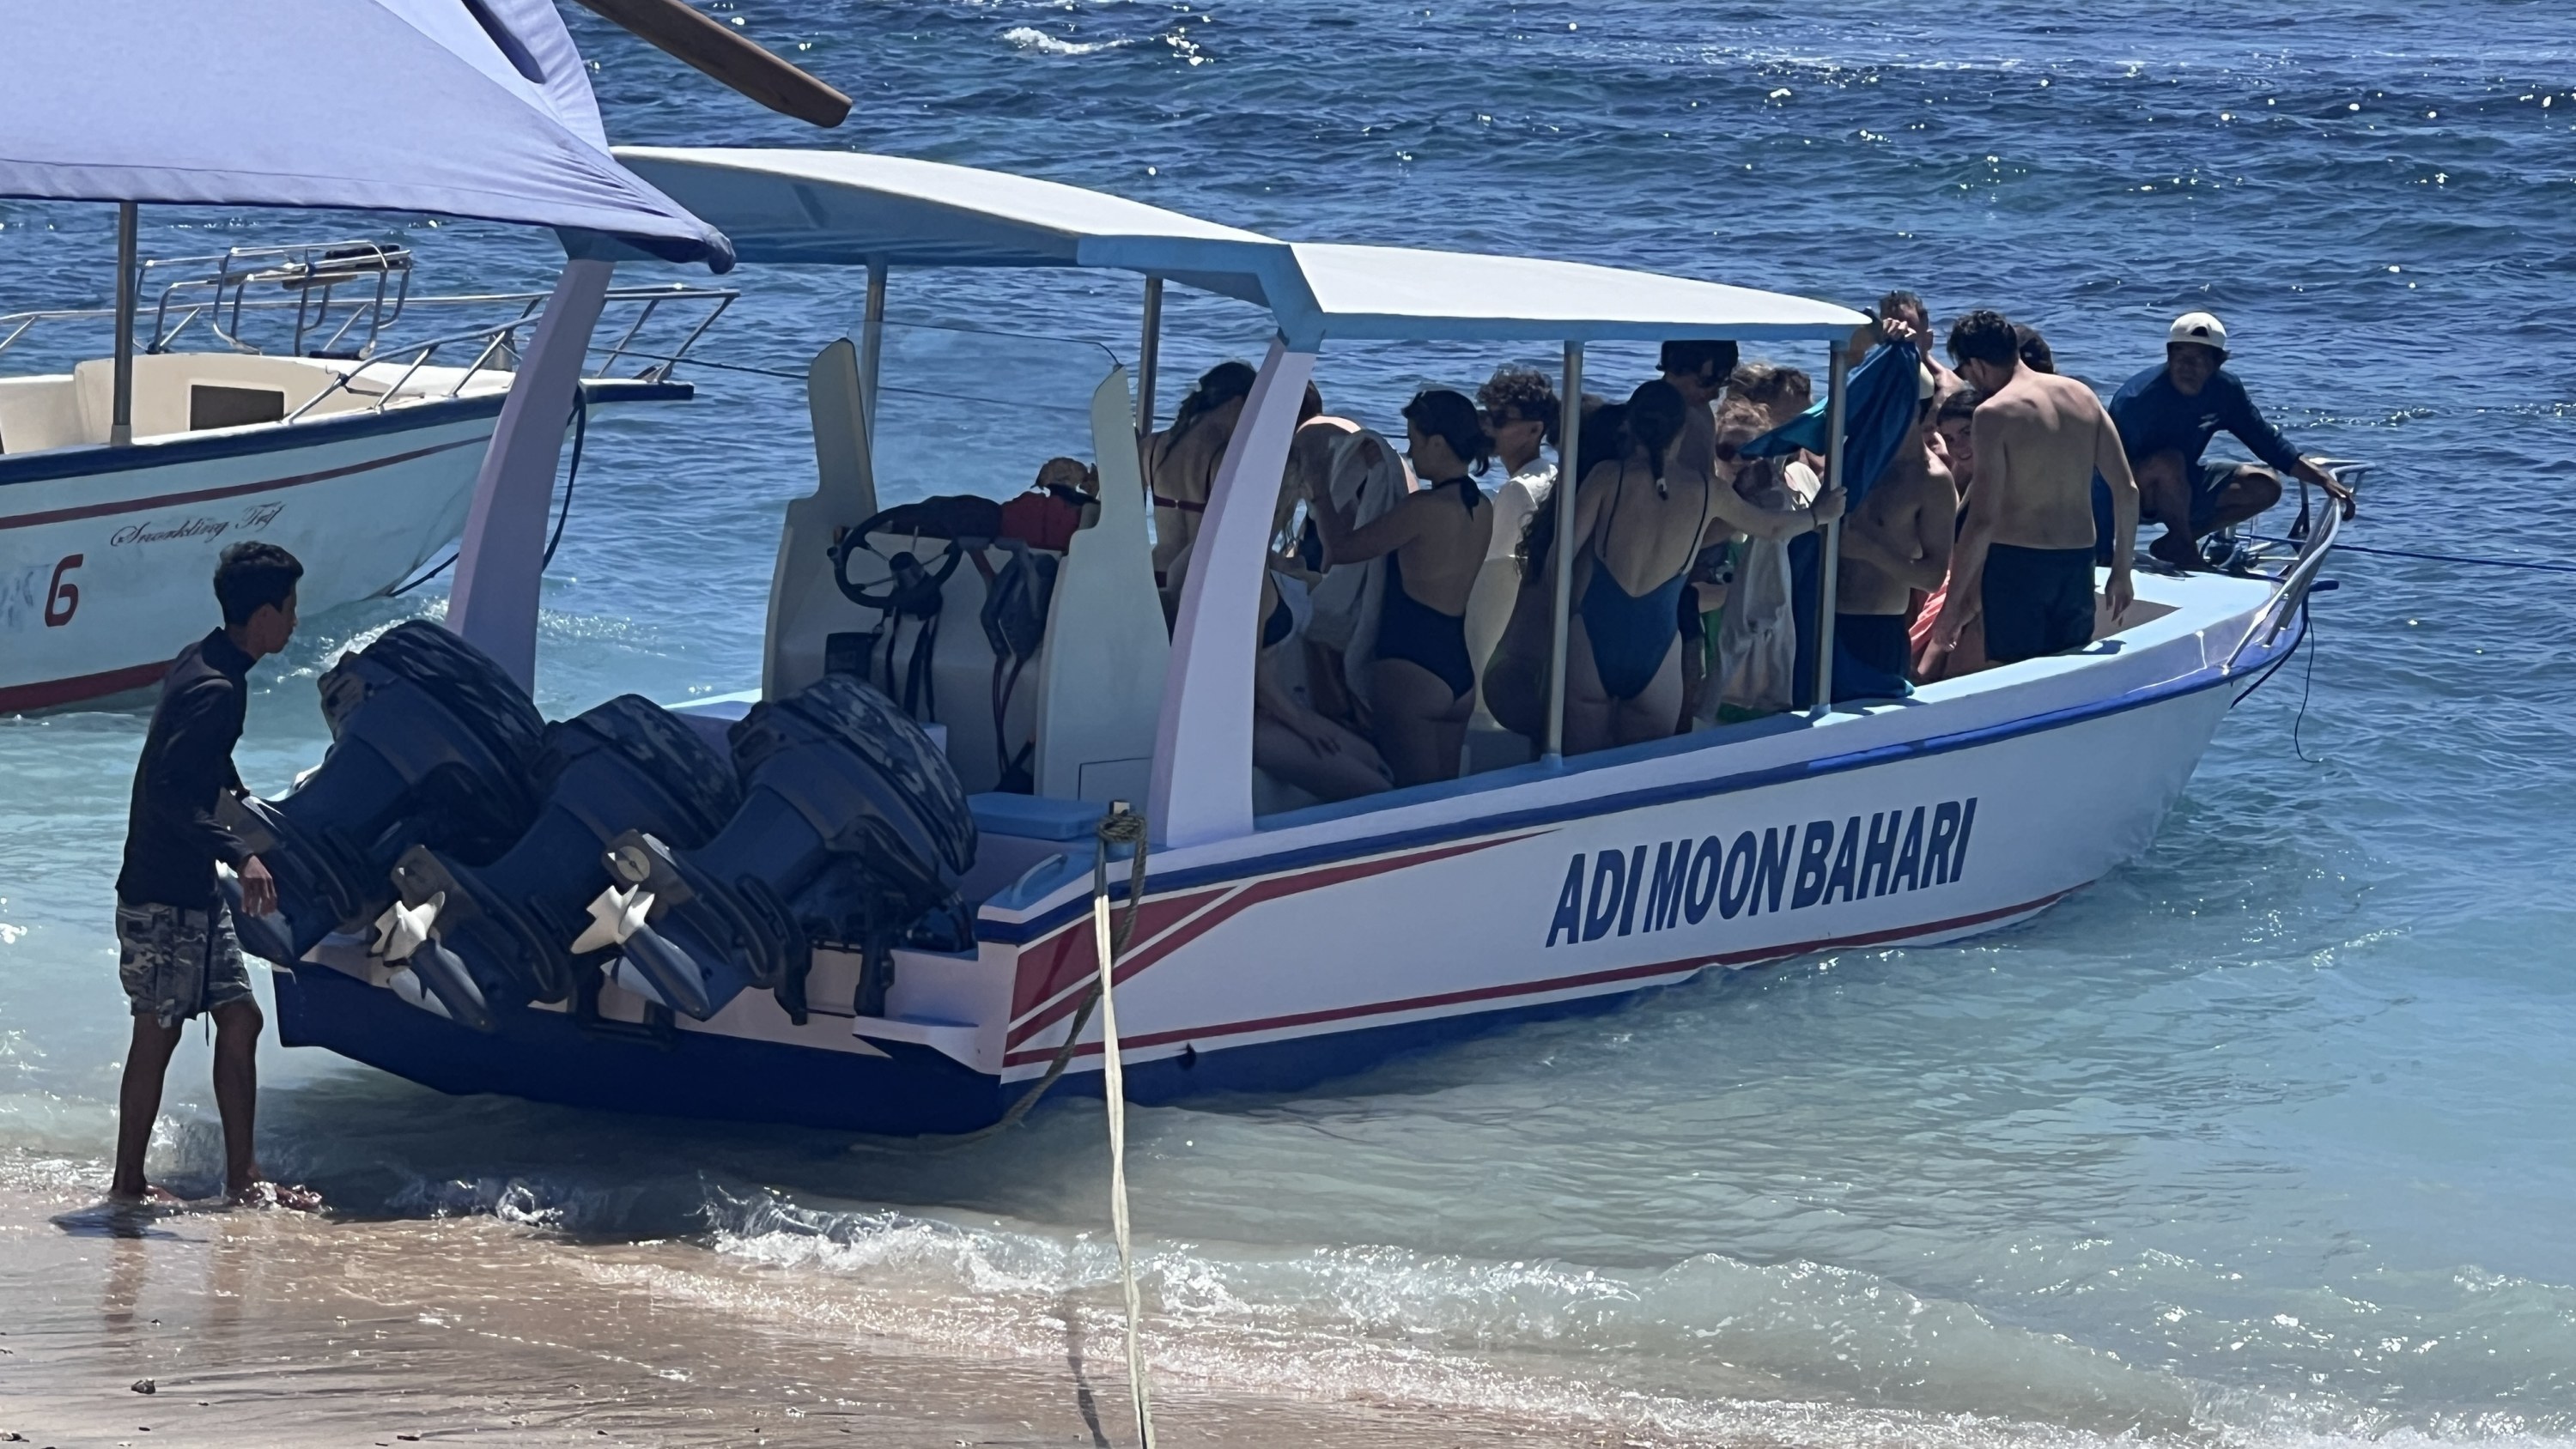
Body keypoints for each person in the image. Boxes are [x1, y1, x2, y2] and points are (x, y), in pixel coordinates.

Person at [110, 542, 318, 1210]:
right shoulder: (216, 686)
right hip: (162, 893)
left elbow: (207, 766)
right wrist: (241, 854)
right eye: (289, 608)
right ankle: (127, 1185)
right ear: (261, 614)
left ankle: (243, 1180)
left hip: (192, 890)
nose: (294, 621)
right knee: (159, 1029)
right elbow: (172, 792)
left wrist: (251, 821)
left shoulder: (211, 661)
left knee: (241, 1018)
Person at [1309, 389, 1495, 785]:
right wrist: (1385, 471)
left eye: (1413, 441)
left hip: (1411, 668)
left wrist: (1319, 493)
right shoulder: (1481, 507)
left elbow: (1341, 550)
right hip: (1458, 672)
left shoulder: (1423, 510)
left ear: (1438, 443)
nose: (1410, 453)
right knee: (1444, 802)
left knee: (1409, 802)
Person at [1932, 310, 2138, 665]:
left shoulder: (1994, 413)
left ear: (1977, 365)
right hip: (2077, 561)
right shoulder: (2082, 395)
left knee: (2014, 676)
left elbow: (1982, 519)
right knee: (2067, 673)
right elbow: (2127, 489)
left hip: (2018, 566)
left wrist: (1952, 609)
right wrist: (2122, 571)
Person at [2108, 310, 2356, 569]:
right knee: (2169, 462)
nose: (2185, 367)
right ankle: (2186, 551)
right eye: (2179, 356)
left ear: (2217, 363)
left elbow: (2267, 442)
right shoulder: (2138, 399)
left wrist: (2323, 480)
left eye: (2198, 359)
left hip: (2178, 487)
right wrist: (2102, 550)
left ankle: (2177, 542)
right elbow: (2102, 474)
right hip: (2128, 492)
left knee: (2265, 485)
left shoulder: (2225, 391)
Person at [1835, 367, 1958, 699]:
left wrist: (1867, 550)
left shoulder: (1931, 480)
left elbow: (1933, 577)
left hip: (1875, 628)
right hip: (1820, 619)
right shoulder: (1848, 457)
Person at [1252, 564, 1393, 802]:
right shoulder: (1238, 569)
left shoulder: (1262, 564)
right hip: (1242, 726)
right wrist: (1303, 724)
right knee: (1376, 792)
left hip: (1269, 708)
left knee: (1375, 763)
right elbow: (1250, 673)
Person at [1146, 360, 1257, 597]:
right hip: (1201, 584)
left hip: (1155, 576)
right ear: (1237, 404)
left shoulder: (1152, 448)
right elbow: (1240, 539)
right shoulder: (1228, 459)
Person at [1912, 385, 1989, 681]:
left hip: (1980, 600)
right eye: (1950, 439)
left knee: (1929, 676)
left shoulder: (2004, 482)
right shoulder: (1970, 477)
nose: (1959, 447)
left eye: (1968, 432)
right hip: (1956, 592)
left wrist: (1958, 611)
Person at [1474, 365, 1560, 562]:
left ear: (1534, 430)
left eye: (1500, 419)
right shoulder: (1550, 475)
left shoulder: (1518, 489)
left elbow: (1495, 571)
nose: (1487, 426)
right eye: (1486, 415)